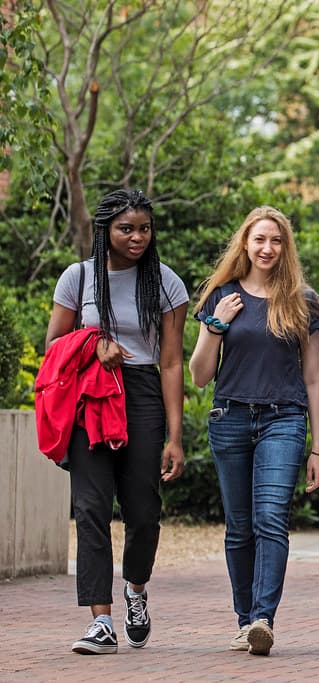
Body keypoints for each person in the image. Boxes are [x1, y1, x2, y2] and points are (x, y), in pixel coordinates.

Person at [44, 189, 188, 655]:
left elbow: (170, 362)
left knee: (143, 512)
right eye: (127, 228)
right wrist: (93, 342)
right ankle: (100, 621)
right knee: (90, 509)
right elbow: (53, 346)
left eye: (145, 228)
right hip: (91, 396)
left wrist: (175, 435)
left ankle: (136, 591)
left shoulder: (166, 283)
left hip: (143, 392)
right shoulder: (78, 278)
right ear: (105, 230)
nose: (138, 237)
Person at [189, 206, 319, 656]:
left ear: (286, 247)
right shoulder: (223, 295)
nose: (267, 248)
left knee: (271, 521)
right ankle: (244, 619)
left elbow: (312, 378)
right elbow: (199, 376)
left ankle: (263, 618)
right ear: (245, 244)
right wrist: (216, 324)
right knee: (239, 527)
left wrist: (318, 447)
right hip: (228, 418)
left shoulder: (303, 301)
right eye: (259, 239)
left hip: (283, 420)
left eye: (276, 240)